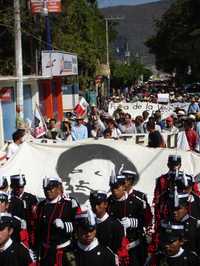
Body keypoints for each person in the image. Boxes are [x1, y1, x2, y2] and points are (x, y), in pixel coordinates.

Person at [35, 176, 78, 266]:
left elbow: (78, 225)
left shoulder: (69, 204)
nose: (48, 191)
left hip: (65, 250)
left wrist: (65, 226)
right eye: (45, 189)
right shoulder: (41, 206)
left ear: (58, 188)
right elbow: (38, 229)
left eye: (51, 188)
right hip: (46, 251)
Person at [108, 173, 147, 266]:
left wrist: (132, 222)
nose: (114, 191)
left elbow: (146, 220)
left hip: (133, 248)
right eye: (112, 188)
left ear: (123, 186)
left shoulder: (136, 202)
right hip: (115, 248)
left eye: (117, 188)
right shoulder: (108, 202)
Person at [10, 174, 38, 248]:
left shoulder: (31, 198)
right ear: (12, 186)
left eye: (22, 187)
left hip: (28, 234)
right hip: (12, 233)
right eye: (17, 187)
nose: (20, 189)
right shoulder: (8, 199)